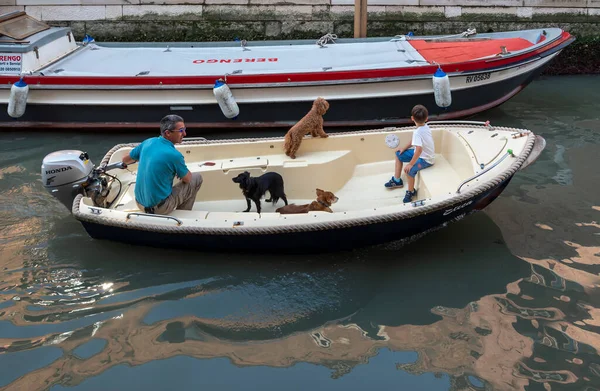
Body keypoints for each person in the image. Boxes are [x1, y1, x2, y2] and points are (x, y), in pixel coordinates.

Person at [122, 114, 203, 215]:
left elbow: (125, 159)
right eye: (181, 131)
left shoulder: (148, 142)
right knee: (197, 178)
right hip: (159, 209)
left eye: (185, 129)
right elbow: (187, 179)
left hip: (139, 204)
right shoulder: (175, 155)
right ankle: (183, 214)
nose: (185, 134)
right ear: (168, 133)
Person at [384, 104, 435, 203]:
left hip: (426, 160)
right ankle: (397, 180)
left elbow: (419, 149)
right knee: (399, 154)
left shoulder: (418, 132)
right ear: (427, 118)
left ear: (412, 118)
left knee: (408, 171)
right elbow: (414, 142)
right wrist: (404, 148)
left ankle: (411, 191)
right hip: (420, 154)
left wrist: (411, 164)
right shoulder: (425, 127)